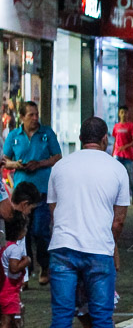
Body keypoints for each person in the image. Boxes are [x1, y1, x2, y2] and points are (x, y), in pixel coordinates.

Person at [44, 116, 130, 328]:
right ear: (105, 139)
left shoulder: (60, 167)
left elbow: (54, 212)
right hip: (98, 251)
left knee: (61, 316)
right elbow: (118, 221)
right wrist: (110, 244)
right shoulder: (116, 169)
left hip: (62, 249)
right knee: (102, 317)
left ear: (81, 138)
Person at [2, 101, 62, 286]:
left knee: (41, 230)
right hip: (21, 191)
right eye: (31, 115)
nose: (35, 118)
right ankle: (25, 272)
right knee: (22, 232)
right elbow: (5, 159)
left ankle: (45, 266)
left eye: (36, 114)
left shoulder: (47, 133)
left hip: (43, 190)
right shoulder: (14, 136)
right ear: (22, 117)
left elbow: (57, 156)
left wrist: (39, 163)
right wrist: (18, 165)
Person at [0, 212, 31, 328]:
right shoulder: (15, 250)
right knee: (7, 322)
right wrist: (26, 261)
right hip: (9, 291)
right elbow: (14, 268)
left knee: (9, 321)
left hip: (6, 288)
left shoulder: (5, 246)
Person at [111, 105, 133, 205]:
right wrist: (113, 152)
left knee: (129, 177)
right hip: (117, 155)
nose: (123, 114)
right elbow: (115, 141)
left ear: (128, 114)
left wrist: (125, 147)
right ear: (119, 114)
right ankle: (117, 197)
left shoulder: (131, 126)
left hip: (128, 156)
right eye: (121, 112)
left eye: (125, 112)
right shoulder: (116, 126)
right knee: (116, 177)